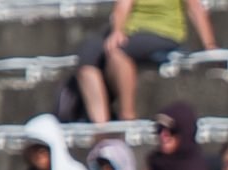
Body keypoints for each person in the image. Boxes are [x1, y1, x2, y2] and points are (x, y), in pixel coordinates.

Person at [75, 0, 216, 126]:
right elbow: (123, 4)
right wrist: (118, 31)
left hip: (164, 32)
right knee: (87, 56)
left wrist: (210, 46)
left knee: (119, 52)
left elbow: (195, 7)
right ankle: (101, 126)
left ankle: (128, 117)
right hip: (133, 33)